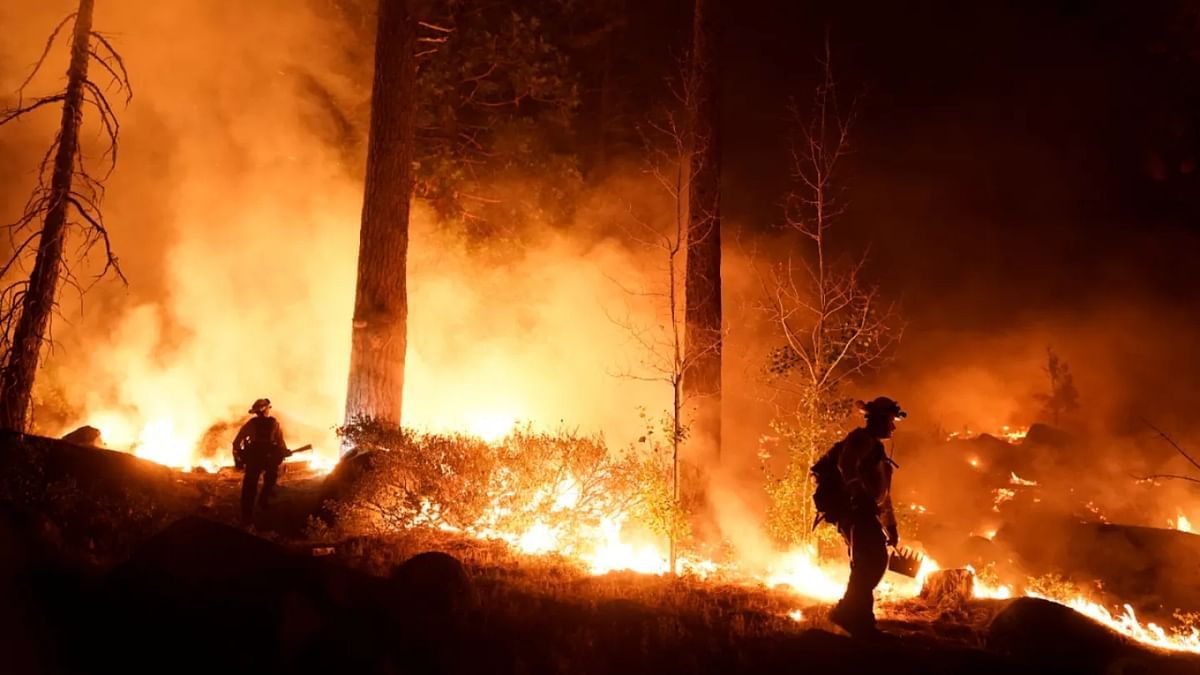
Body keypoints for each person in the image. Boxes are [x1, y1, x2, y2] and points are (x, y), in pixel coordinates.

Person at [827, 396, 905, 637]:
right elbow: (846, 465)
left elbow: (883, 495)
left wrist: (891, 525)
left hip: (867, 512)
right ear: (879, 420)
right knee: (869, 563)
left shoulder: (875, 448)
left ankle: (858, 617)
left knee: (871, 564)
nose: (892, 427)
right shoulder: (860, 440)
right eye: (890, 421)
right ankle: (851, 615)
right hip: (856, 512)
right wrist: (859, 496)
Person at [232, 398, 288, 524]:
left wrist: (240, 456)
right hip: (268, 457)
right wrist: (283, 451)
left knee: (250, 486)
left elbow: (236, 442)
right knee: (270, 481)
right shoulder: (275, 423)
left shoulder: (251, 424)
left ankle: (247, 514)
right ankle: (263, 503)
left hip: (254, 458)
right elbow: (280, 442)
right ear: (266, 409)